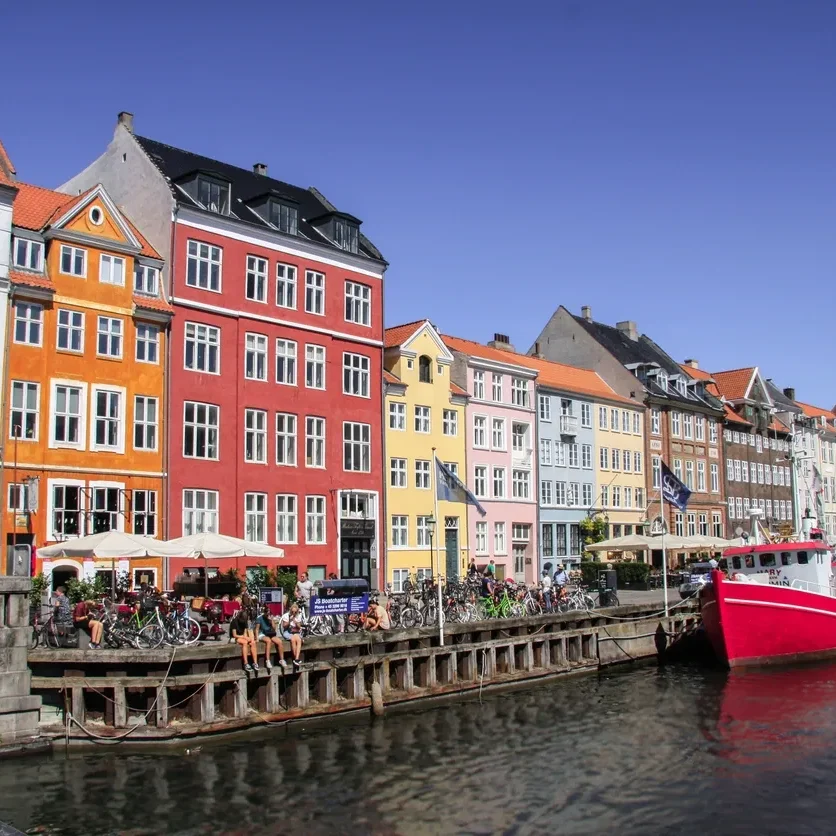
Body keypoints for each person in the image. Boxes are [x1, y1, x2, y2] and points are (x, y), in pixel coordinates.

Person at [255, 605, 287, 672]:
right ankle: (268, 660)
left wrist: (271, 620)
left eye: (269, 613)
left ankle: (282, 659)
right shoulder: (259, 618)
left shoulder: (271, 618)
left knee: (279, 642)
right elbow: (257, 629)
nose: (268, 615)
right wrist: (257, 638)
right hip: (262, 634)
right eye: (267, 613)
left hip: (270, 633)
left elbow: (274, 628)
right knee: (268, 641)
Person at [280, 603, 304, 668]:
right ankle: (296, 659)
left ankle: (296, 659)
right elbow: (284, 626)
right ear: (290, 611)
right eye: (292, 612)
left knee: (298, 640)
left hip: (296, 632)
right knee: (293, 639)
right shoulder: (286, 616)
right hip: (288, 632)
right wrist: (290, 620)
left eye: (295, 612)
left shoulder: (298, 616)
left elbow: (299, 627)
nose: (294, 613)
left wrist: (296, 622)